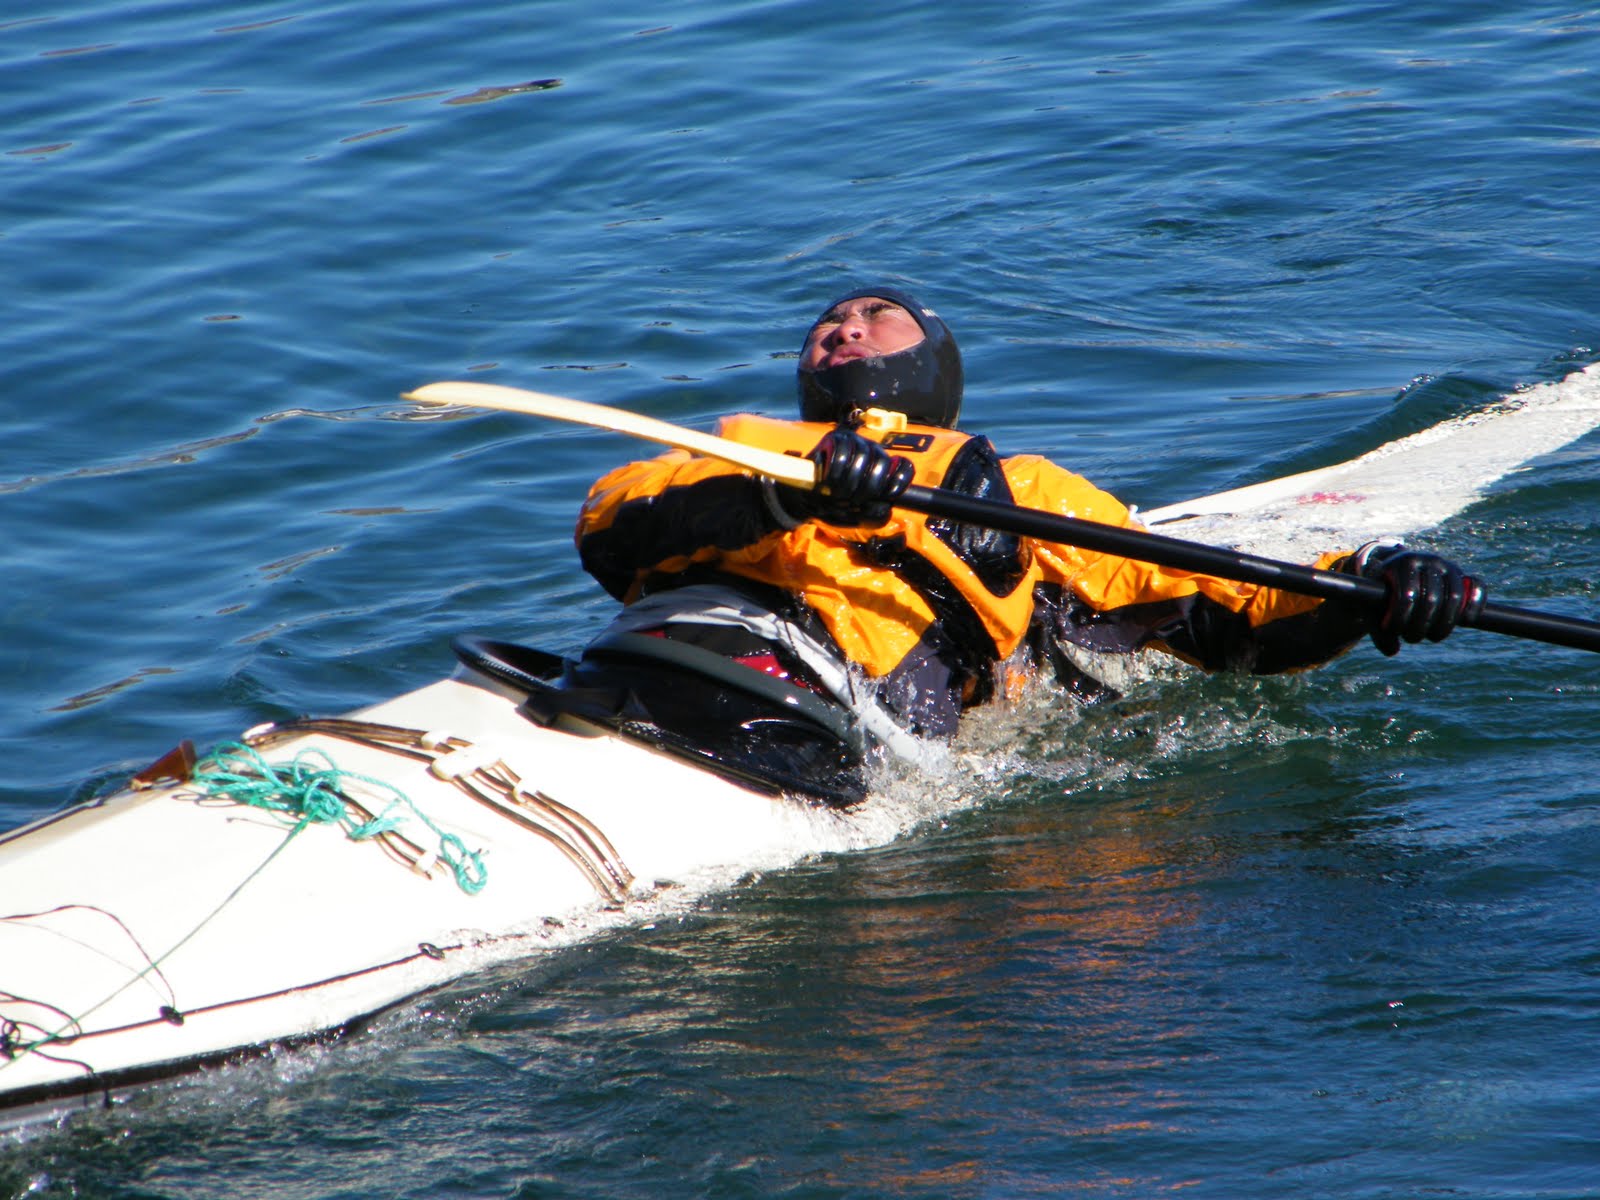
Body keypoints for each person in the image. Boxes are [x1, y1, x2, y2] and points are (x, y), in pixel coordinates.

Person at [568, 286, 1481, 805]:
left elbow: (1224, 615)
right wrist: (774, 496)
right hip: (638, 665)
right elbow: (614, 528)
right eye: (824, 326)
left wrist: (1373, 580)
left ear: (933, 355)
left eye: (878, 315)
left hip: (813, 721)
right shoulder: (734, 450)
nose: (843, 327)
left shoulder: (1025, 492)